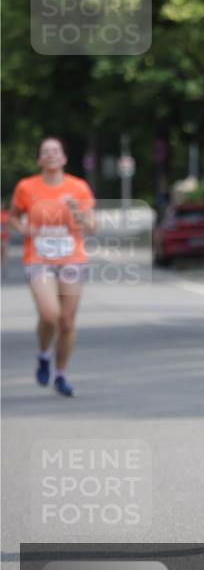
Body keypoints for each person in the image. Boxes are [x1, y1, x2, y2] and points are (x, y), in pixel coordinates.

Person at [9, 136, 96, 397]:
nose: (51, 155)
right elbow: (14, 216)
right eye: (45, 152)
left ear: (64, 158)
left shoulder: (78, 187)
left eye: (56, 151)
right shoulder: (26, 187)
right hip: (39, 258)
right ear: (39, 159)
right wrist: (23, 227)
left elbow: (91, 227)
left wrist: (76, 211)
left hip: (72, 258)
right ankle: (44, 354)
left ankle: (60, 374)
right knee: (50, 315)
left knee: (67, 322)